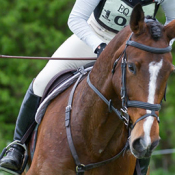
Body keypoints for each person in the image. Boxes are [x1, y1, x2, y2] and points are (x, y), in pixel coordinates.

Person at [0, 0, 175, 174]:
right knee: (41, 81)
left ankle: (141, 168)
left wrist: (155, 44)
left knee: (144, 97)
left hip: (137, 47)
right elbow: (76, 18)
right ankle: (18, 147)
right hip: (93, 38)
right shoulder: (94, 39)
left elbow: (172, 20)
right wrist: (98, 46)